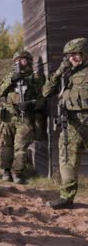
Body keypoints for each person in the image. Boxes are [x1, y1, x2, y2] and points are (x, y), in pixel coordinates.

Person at [42, 38, 88, 209]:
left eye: (76, 54)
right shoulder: (66, 75)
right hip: (71, 123)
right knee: (67, 160)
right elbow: (46, 92)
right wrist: (60, 71)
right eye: (69, 55)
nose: (72, 58)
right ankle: (66, 197)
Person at [0, 50, 45, 184]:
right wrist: (11, 80)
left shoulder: (35, 78)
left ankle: (17, 172)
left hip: (25, 117)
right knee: (6, 145)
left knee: (20, 147)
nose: (19, 62)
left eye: (22, 59)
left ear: (28, 61)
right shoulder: (9, 76)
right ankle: (6, 170)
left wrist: (31, 104)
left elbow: (42, 98)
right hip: (8, 116)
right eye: (17, 60)